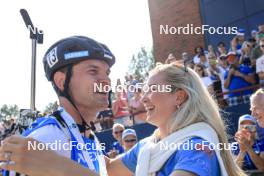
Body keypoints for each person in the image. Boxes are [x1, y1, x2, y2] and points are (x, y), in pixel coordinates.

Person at [0, 63, 246, 176]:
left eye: (151, 90)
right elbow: (105, 167)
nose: (142, 97)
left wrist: (54, 165)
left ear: (178, 97)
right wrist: (74, 132)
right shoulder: (149, 148)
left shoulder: (198, 148)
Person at [2, 35, 116, 176]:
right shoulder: (47, 139)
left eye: (107, 73)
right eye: (93, 71)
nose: (106, 80)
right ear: (61, 81)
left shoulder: (89, 138)